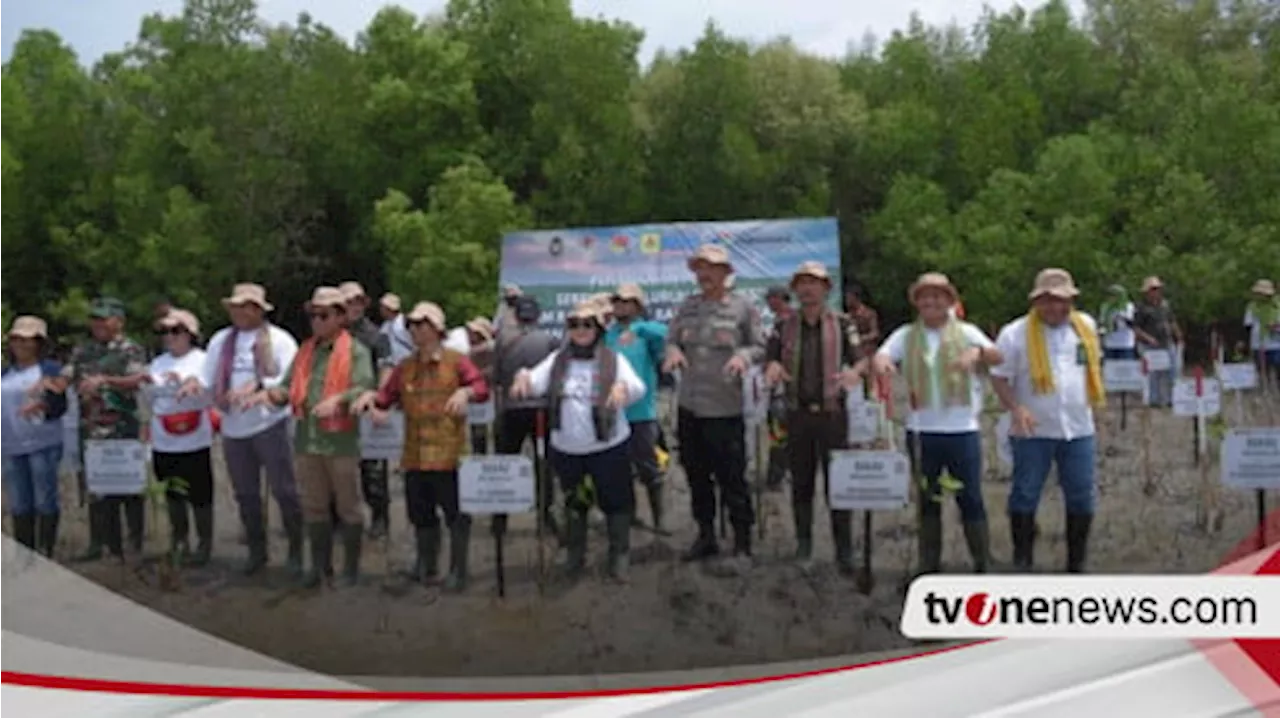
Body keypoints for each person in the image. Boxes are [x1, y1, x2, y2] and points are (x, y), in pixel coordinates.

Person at [868, 272, 1003, 575]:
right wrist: (883, 364)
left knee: (970, 497)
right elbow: (882, 355)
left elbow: (997, 355)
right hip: (922, 430)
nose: (931, 301)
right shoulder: (905, 335)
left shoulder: (967, 331)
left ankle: (982, 562)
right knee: (928, 501)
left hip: (962, 430)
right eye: (924, 296)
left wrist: (978, 352)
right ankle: (929, 564)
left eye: (937, 296)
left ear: (949, 301)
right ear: (917, 303)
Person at [352, 302, 489, 591]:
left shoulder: (457, 361)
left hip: (450, 455)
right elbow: (385, 398)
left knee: (456, 515)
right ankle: (426, 566)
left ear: (437, 329)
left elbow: (482, 388)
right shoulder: (405, 367)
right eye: (411, 325)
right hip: (414, 455)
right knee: (420, 515)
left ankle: (458, 571)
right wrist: (370, 400)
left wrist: (465, 391)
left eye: (421, 324)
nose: (414, 330)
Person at [246, 286, 376, 588]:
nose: (316, 320)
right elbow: (287, 387)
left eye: (324, 315)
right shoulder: (305, 351)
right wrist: (269, 394)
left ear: (340, 317)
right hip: (307, 441)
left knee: (348, 505)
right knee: (314, 505)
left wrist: (340, 400)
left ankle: (351, 569)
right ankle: (320, 567)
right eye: (313, 314)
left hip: (341, 441)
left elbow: (364, 386)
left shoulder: (356, 350)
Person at [510, 301, 647, 582]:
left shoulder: (613, 359)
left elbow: (637, 388)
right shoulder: (557, 360)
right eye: (574, 325)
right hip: (567, 448)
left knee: (616, 502)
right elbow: (533, 380)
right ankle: (575, 554)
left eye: (587, 324)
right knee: (574, 502)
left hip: (608, 446)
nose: (580, 330)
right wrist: (522, 377)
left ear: (598, 328)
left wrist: (623, 387)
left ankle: (619, 554)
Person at [178, 283, 301, 577]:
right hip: (234, 427)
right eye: (234, 306)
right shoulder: (221, 341)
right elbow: (208, 379)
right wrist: (195, 384)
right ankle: (257, 551)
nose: (239, 311)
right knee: (245, 493)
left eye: (245, 306)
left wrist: (259, 386)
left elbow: (292, 380)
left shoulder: (280, 340)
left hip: (270, 424)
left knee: (284, 490)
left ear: (259, 309)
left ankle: (296, 549)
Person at [990, 268, 1104, 573]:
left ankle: (1076, 563)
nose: (1055, 307)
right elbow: (999, 378)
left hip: (1078, 428)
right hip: (1032, 430)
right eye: (1047, 300)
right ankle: (1023, 559)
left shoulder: (1086, 327)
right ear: (1036, 301)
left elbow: (1089, 371)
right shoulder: (1014, 334)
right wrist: (1015, 408)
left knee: (1081, 493)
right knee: (1025, 492)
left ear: (1071, 300)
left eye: (1061, 300)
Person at [662, 244, 766, 570]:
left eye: (711, 269)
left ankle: (742, 544)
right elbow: (671, 339)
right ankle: (705, 535)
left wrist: (743, 356)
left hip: (726, 409)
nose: (704, 275)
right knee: (696, 476)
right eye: (699, 269)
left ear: (725, 273)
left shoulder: (742, 308)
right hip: (690, 407)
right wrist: (673, 352)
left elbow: (761, 346)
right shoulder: (687, 307)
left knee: (732, 478)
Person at [764, 263, 862, 575]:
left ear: (826, 288)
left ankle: (844, 551)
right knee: (801, 484)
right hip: (796, 414)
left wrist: (854, 371)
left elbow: (862, 360)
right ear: (795, 289)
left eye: (814, 283)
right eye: (802, 283)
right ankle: (804, 545)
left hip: (833, 414)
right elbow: (770, 357)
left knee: (840, 486)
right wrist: (772, 368)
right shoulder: (782, 326)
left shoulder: (844, 323)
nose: (808, 288)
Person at [64, 297, 150, 562]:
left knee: (129, 488)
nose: (97, 324)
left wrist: (106, 380)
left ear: (119, 321)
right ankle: (101, 544)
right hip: (91, 431)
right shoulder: (83, 351)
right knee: (98, 490)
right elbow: (67, 376)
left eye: (103, 318)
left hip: (122, 429)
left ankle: (134, 544)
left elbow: (138, 379)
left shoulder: (130, 349)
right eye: (94, 319)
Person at [145, 309, 215, 566]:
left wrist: (186, 383)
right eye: (164, 332)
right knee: (172, 493)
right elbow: (149, 399)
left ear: (190, 334)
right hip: (163, 439)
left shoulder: (203, 360)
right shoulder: (156, 363)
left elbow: (210, 396)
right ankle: (180, 540)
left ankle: (205, 544)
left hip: (194, 438)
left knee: (200, 494)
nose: (169, 337)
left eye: (175, 331)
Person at [492, 295, 562, 538]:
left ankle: (499, 519)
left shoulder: (502, 340)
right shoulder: (550, 340)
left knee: (505, 462)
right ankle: (545, 515)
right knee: (543, 464)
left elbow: (498, 377)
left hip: (511, 409)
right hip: (541, 410)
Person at [1, 316, 68, 557]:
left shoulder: (49, 370)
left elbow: (60, 405)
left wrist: (44, 405)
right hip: (10, 446)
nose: (21, 345)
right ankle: (25, 555)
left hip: (43, 444)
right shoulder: (4, 373)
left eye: (28, 340)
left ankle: (45, 552)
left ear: (39, 343)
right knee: (19, 503)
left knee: (44, 500)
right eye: (17, 339)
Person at [605, 283, 669, 534]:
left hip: (642, 413)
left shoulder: (646, 333)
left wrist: (639, 326)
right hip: (613, 413)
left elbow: (669, 332)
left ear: (638, 306)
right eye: (617, 300)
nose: (620, 305)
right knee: (619, 470)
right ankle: (628, 516)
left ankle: (659, 519)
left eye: (626, 300)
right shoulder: (606, 335)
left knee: (649, 467)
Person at [338, 281, 393, 540]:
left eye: (358, 301)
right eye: (349, 301)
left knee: (373, 470)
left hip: (367, 407)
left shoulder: (375, 336)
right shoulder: (329, 334)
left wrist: (380, 399)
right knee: (337, 467)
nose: (354, 306)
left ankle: (380, 517)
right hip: (337, 408)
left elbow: (386, 369)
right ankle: (341, 518)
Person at [1132, 276, 1182, 407]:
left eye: (1158, 289)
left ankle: (1171, 399)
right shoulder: (1141, 308)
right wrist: (1148, 338)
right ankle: (1155, 400)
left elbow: (1171, 320)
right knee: (1154, 373)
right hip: (1150, 346)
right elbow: (1136, 328)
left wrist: (1178, 334)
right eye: (1153, 289)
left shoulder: (1165, 305)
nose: (1156, 292)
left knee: (1172, 371)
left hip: (1167, 342)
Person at [763, 285, 794, 491]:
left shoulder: (788, 321)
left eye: (771, 299)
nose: (768, 303)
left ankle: (777, 476)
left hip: (785, 389)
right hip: (777, 388)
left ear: (780, 299)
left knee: (780, 434)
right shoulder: (778, 321)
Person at [465, 317, 497, 456]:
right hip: (482, 395)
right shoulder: (492, 348)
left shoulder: (481, 350)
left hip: (483, 395)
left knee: (480, 433)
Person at [1245, 279, 1280, 389]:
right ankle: (1264, 393)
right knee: (1261, 372)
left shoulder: (1277, 306)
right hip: (1258, 344)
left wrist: (1275, 327)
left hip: (1276, 344)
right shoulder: (1251, 307)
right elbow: (1248, 324)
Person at [842, 283, 881, 361]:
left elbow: (875, 333)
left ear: (856, 298)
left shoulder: (869, 313)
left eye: (849, 298)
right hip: (852, 355)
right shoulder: (847, 316)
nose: (847, 300)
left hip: (867, 353)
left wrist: (861, 338)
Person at [1098, 284, 1137, 360]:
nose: (1111, 297)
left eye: (1114, 295)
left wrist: (1121, 316)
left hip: (1125, 344)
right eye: (1110, 295)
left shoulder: (1128, 306)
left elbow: (1132, 324)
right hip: (1110, 344)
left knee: (1125, 369)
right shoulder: (1105, 307)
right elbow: (1102, 323)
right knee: (1110, 369)